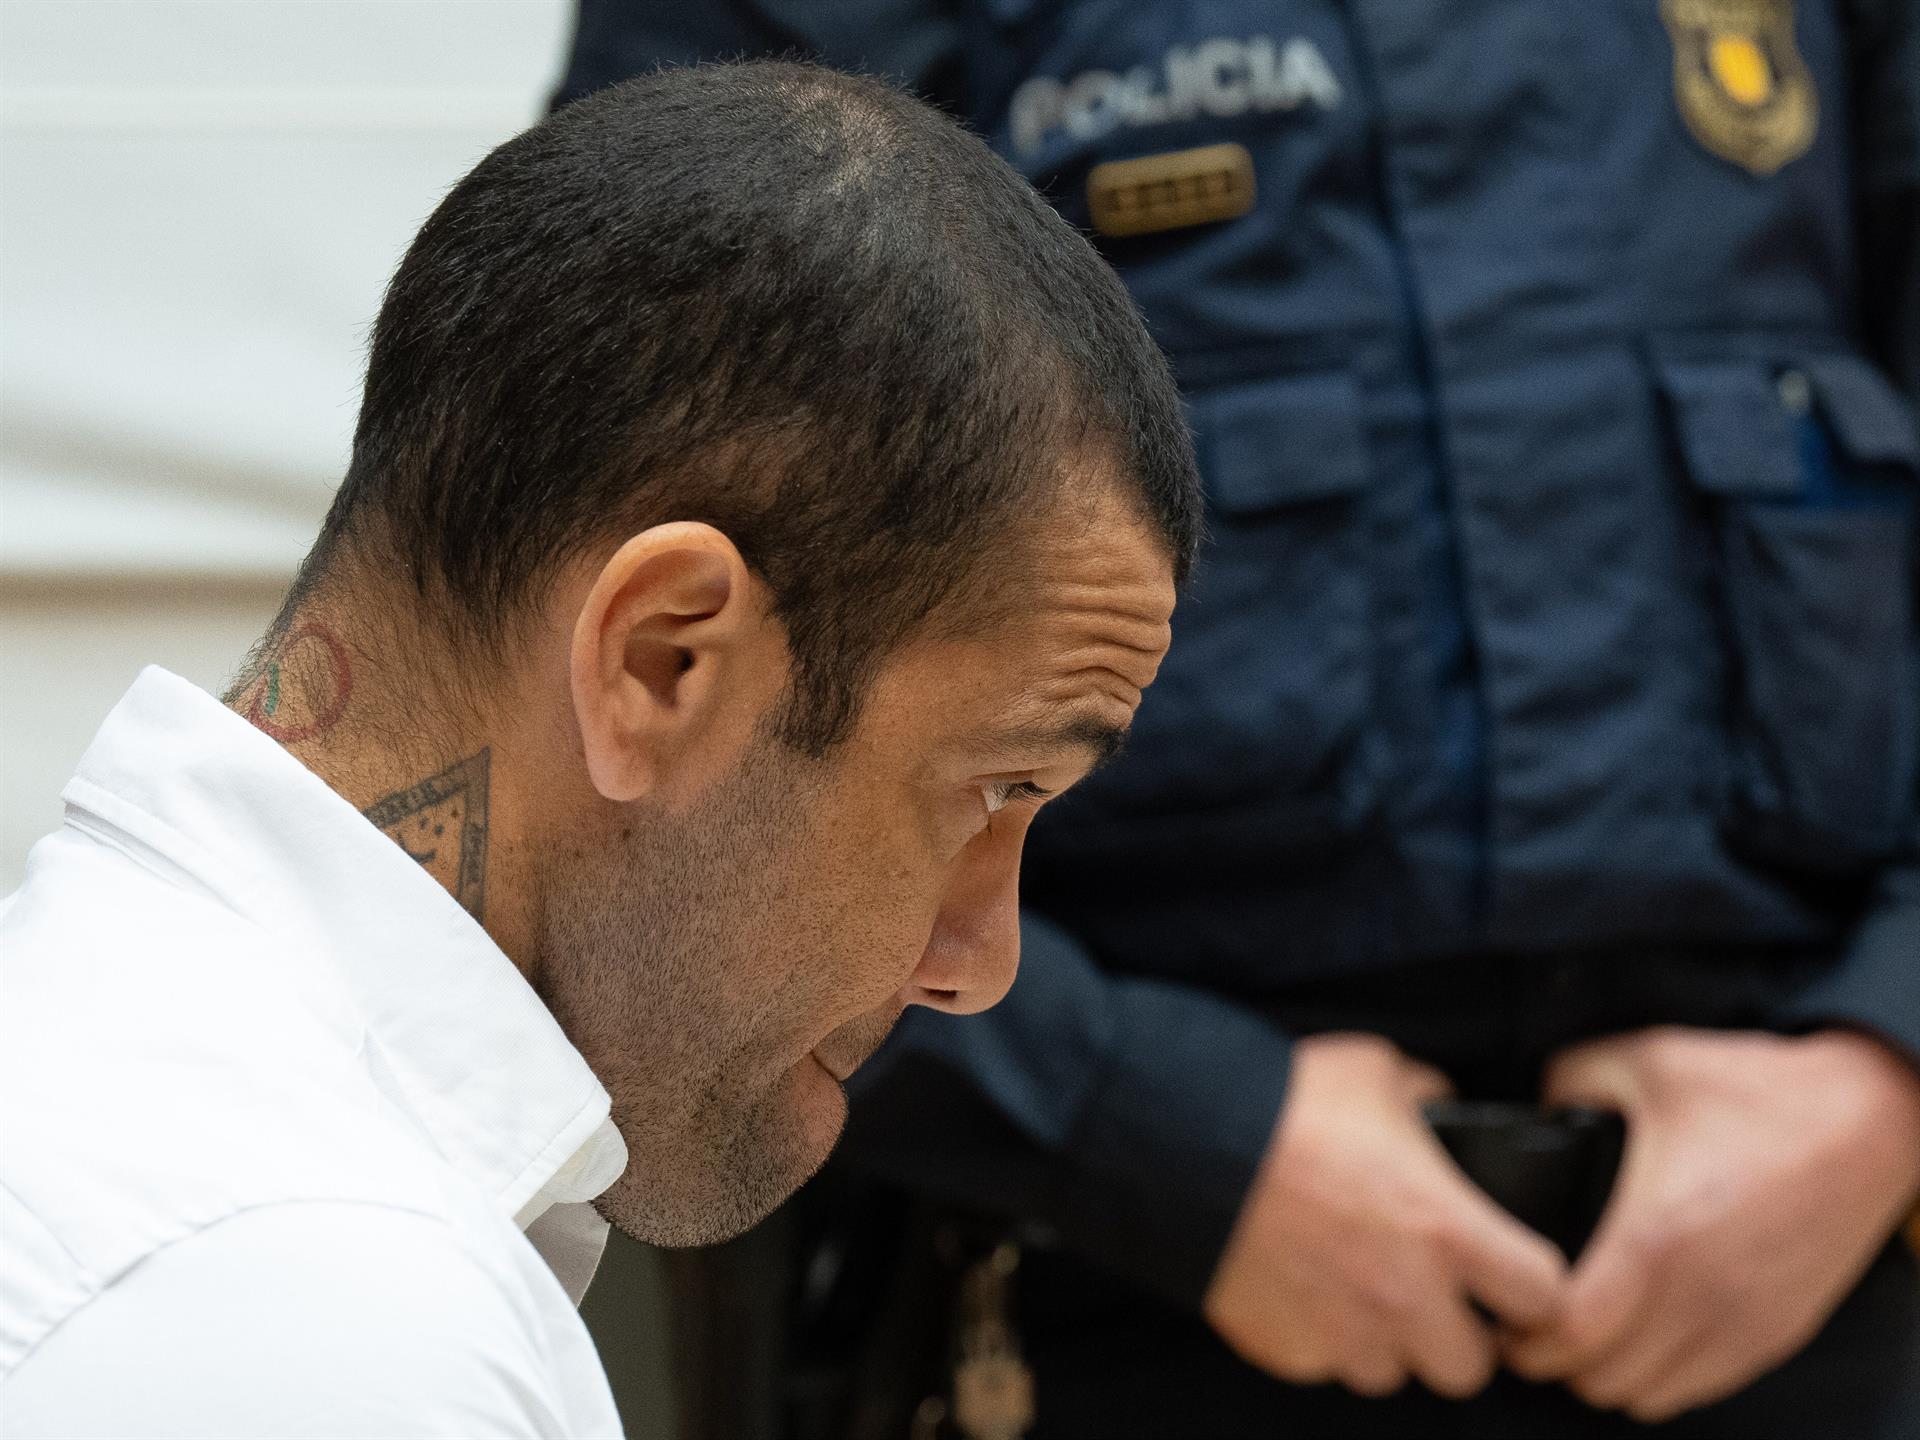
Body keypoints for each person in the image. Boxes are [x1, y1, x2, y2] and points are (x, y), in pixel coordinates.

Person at [557, 5, 1920, 1436]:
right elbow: (634, 694)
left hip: (1803, 1267)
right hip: (1081, 1265)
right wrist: (1142, 1125)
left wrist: (1882, 1080)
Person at [0, 61, 1197, 1437]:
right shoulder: (315, 1316)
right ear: (659, 662)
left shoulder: (135, 1091)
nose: (979, 964)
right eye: (993, 787)